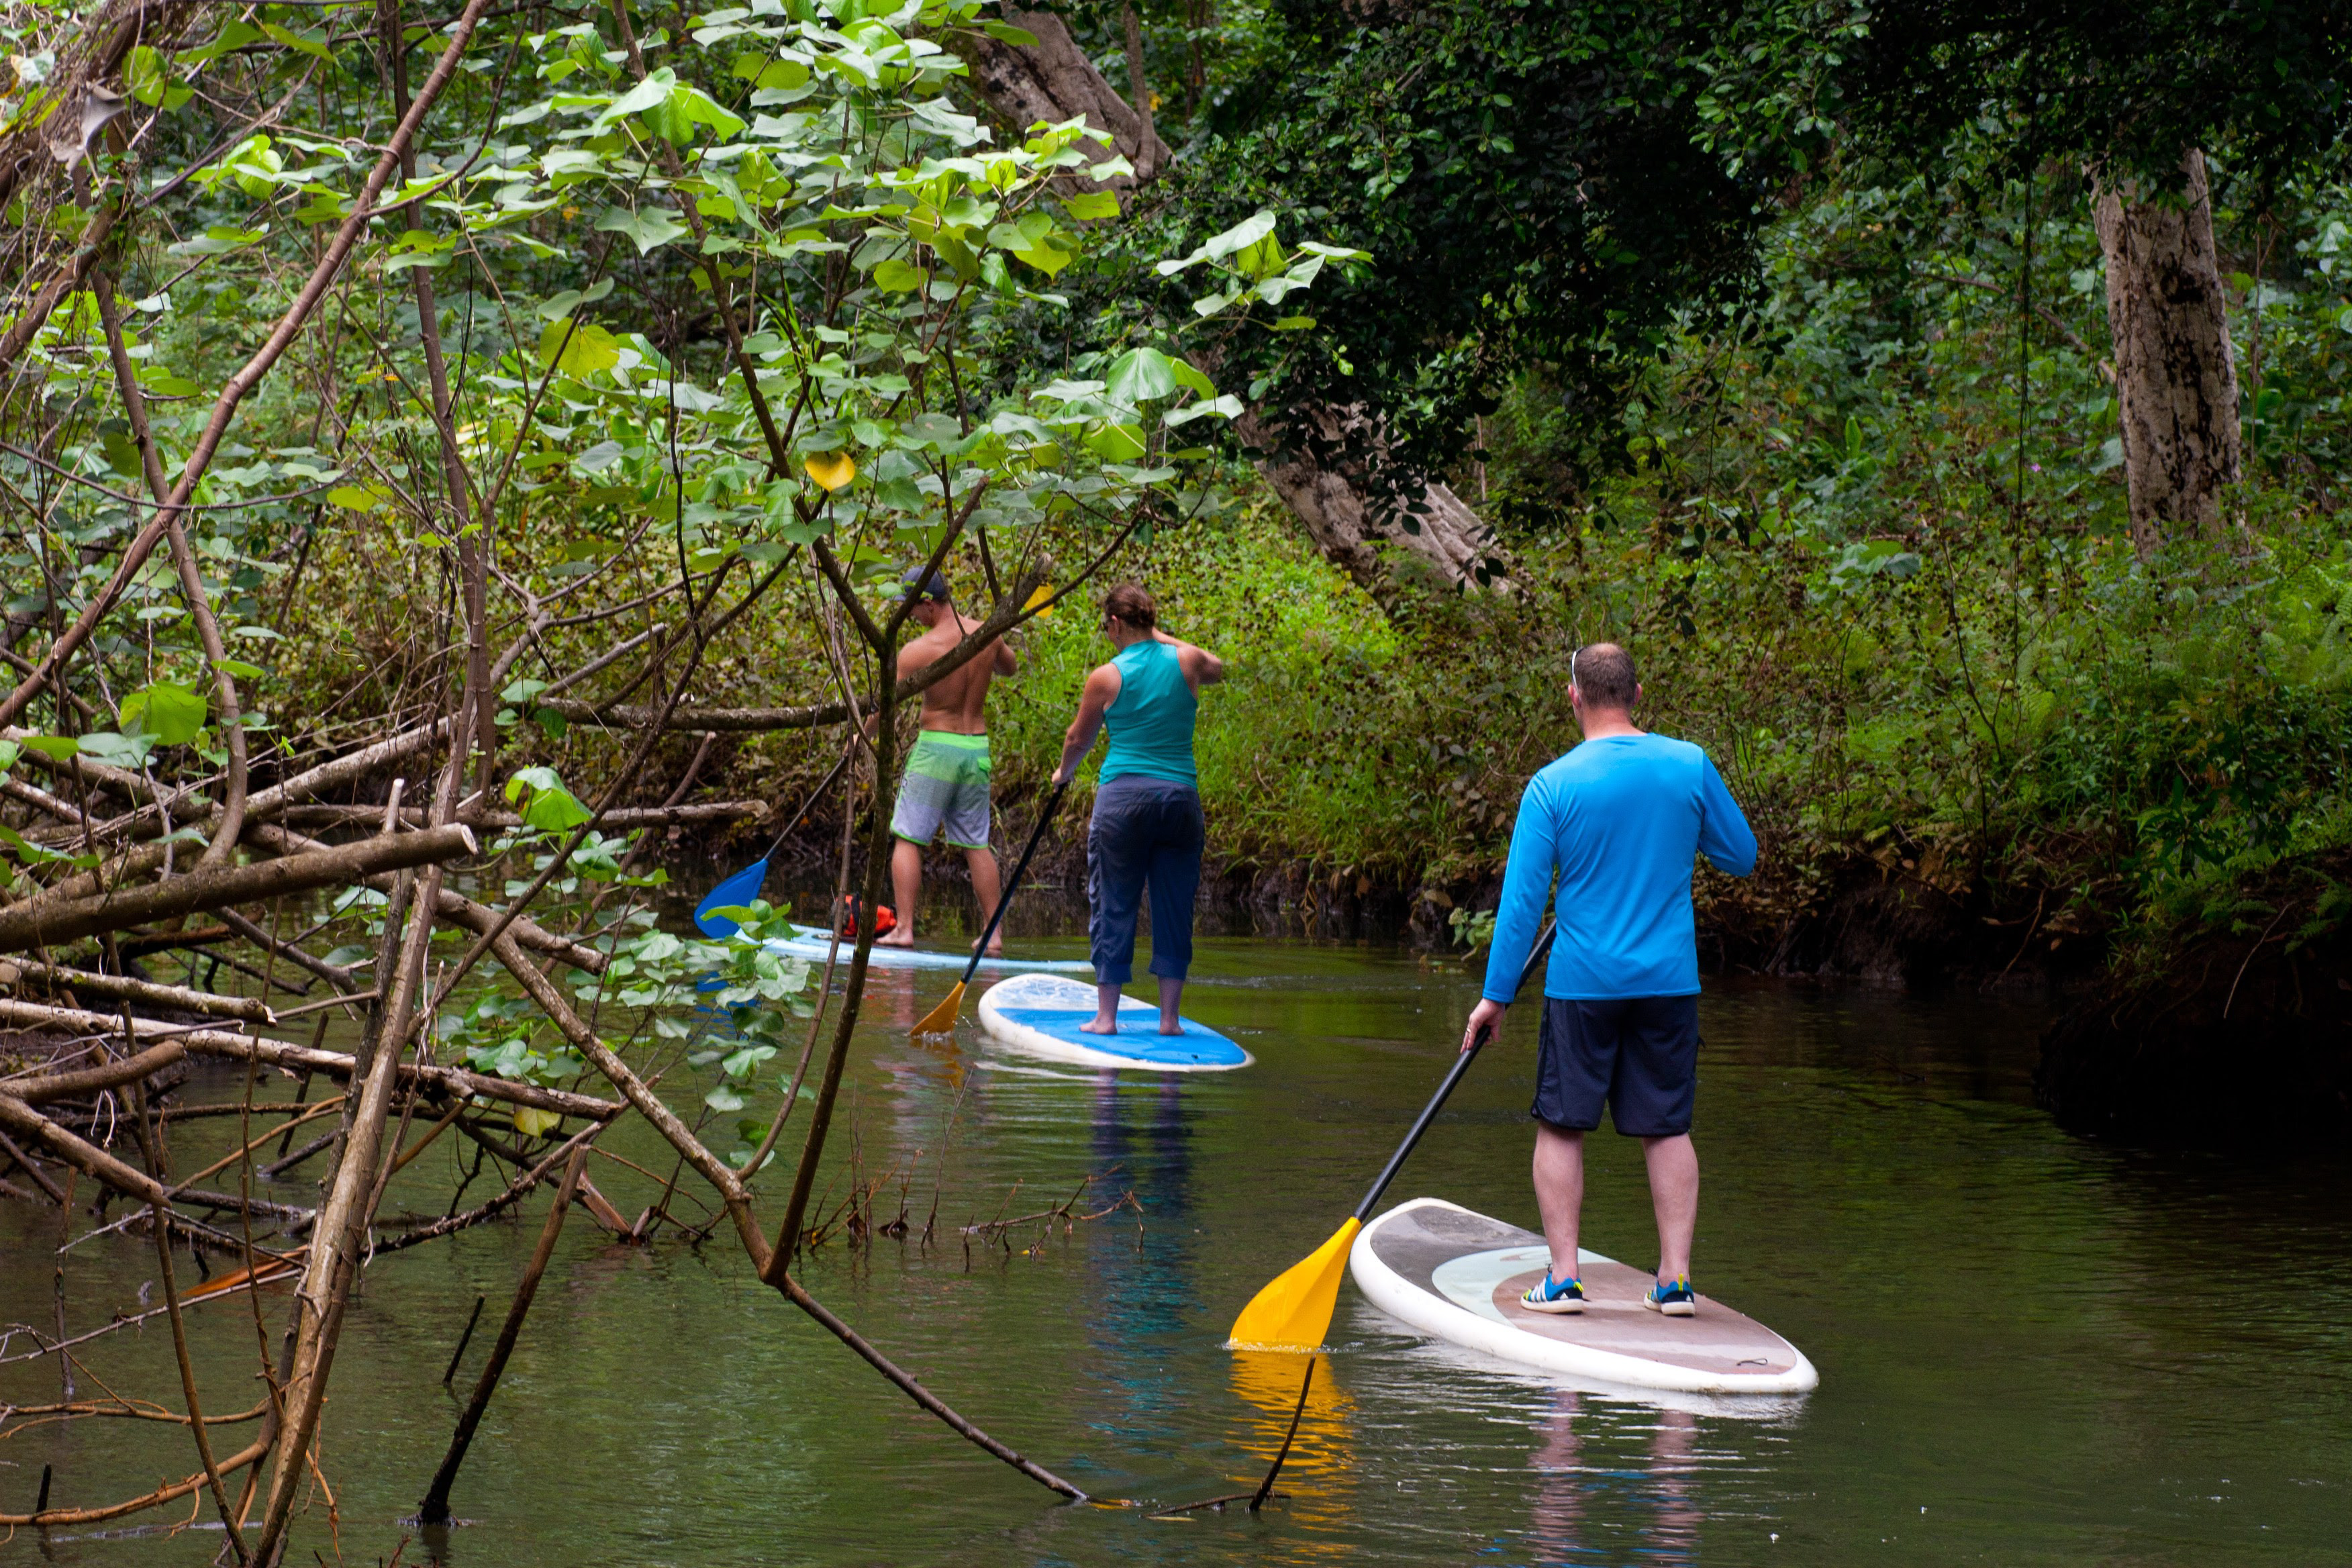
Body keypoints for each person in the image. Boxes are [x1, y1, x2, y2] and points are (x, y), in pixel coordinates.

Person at [1461, 642, 1756, 1318]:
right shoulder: (1689, 765)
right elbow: (1741, 854)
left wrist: (1495, 997)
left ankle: (1564, 1278)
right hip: (1668, 981)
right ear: (1638, 692)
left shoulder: (1553, 784)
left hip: (1584, 983)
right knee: (1667, 1126)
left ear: (1574, 696)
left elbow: (1521, 903)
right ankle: (1675, 1280)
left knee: (1563, 1126)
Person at [1050, 583, 1225, 1034]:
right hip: (1180, 801)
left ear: (1115, 624)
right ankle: (1169, 1021)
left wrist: (1063, 774)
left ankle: (1106, 1018)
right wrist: (1161, 638)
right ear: (1151, 621)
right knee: (1174, 906)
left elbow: (1078, 739)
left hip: (1124, 802)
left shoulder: (1106, 676)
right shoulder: (1186, 661)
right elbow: (1217, 667)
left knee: (1113, 901)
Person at [878, 567, 1018, 952]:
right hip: (976, 749)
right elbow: (1010, 667)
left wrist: (861, 734)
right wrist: (992, 646)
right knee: (977, 843)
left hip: (937, 748)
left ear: (927, 603)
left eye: (911, 609)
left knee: (908, 836)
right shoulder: (987, 632)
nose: (909, 617)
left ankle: (904, 928)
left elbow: (886, 706)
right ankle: (993, 935)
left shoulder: (918, 651)